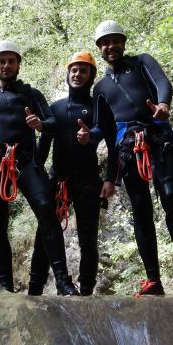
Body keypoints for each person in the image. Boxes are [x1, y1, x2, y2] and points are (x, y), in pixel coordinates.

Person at [79, 20, 173, 305]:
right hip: (127, 147)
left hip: (157, 137)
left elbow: (162, 81)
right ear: (99, 49)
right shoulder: (100, 88)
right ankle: (153, 280)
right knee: (141, 211)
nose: (110, 46)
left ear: (123, 42)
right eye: (105, 43)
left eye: (115, 41)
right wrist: (90, 137)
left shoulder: (142, 62)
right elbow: (104, 129)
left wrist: (162, 104)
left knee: (171, 198)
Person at [0, 40, 80, 296]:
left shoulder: (31, 94)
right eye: (1, 61)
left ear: (18, 64)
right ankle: (5, 285)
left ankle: (62, 281)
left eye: (11, 61)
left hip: (26, 161)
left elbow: (52, 121)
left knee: (46, 211)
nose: (6, 65)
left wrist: (40, 124)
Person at [28, 51, 103, 296]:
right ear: (67, 74)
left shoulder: (96, 107)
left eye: (83, 70)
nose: (78, 74)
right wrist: (36, 170)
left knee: (88, 238)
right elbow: (45, 143)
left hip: (88, 181)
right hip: (57, 179)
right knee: (45, 233)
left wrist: (89, 137)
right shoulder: (56, 108)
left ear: (91, 75)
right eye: (74, 70)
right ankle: (35, 288)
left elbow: (105, 134)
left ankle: (86, 290)